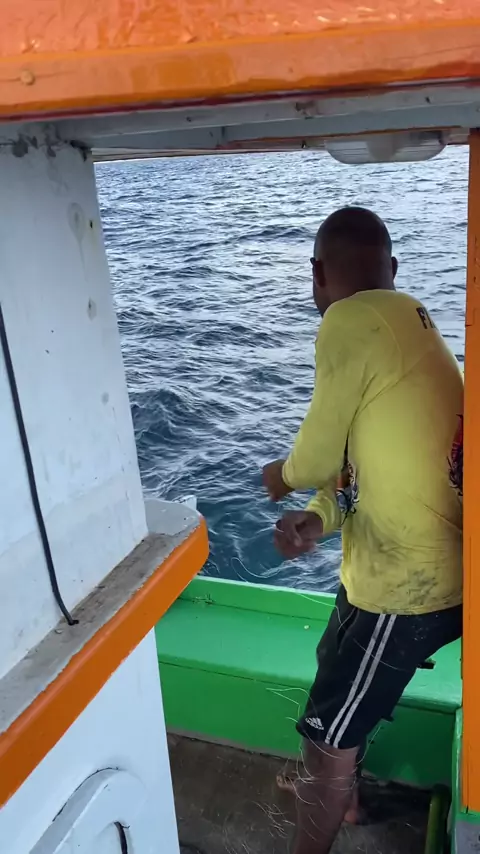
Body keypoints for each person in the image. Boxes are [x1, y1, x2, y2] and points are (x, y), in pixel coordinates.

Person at [262, 207, 463, 854]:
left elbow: (315, 459)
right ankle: (341, 796)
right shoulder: (409, 322)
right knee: (334, 669)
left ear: (316, 274)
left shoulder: (348, 320)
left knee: (328, 738)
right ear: (393, 268)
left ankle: (324, 805)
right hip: (404, 570)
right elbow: (354, 472)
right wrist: (317, 518)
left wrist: (281, 477)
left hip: (406, 588)